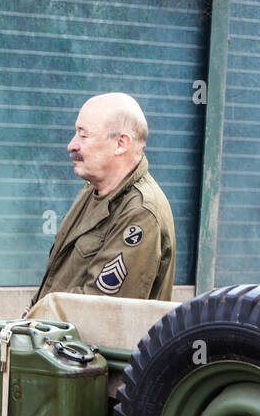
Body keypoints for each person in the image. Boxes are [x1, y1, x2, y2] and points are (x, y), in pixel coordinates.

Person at [30, 92, 175, 306]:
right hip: (56, 335)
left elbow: (100, 309)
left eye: (83, 135)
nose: (71, 145)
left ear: (120, 144)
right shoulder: (93, 189)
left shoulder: (141, 213)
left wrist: (34, 321)